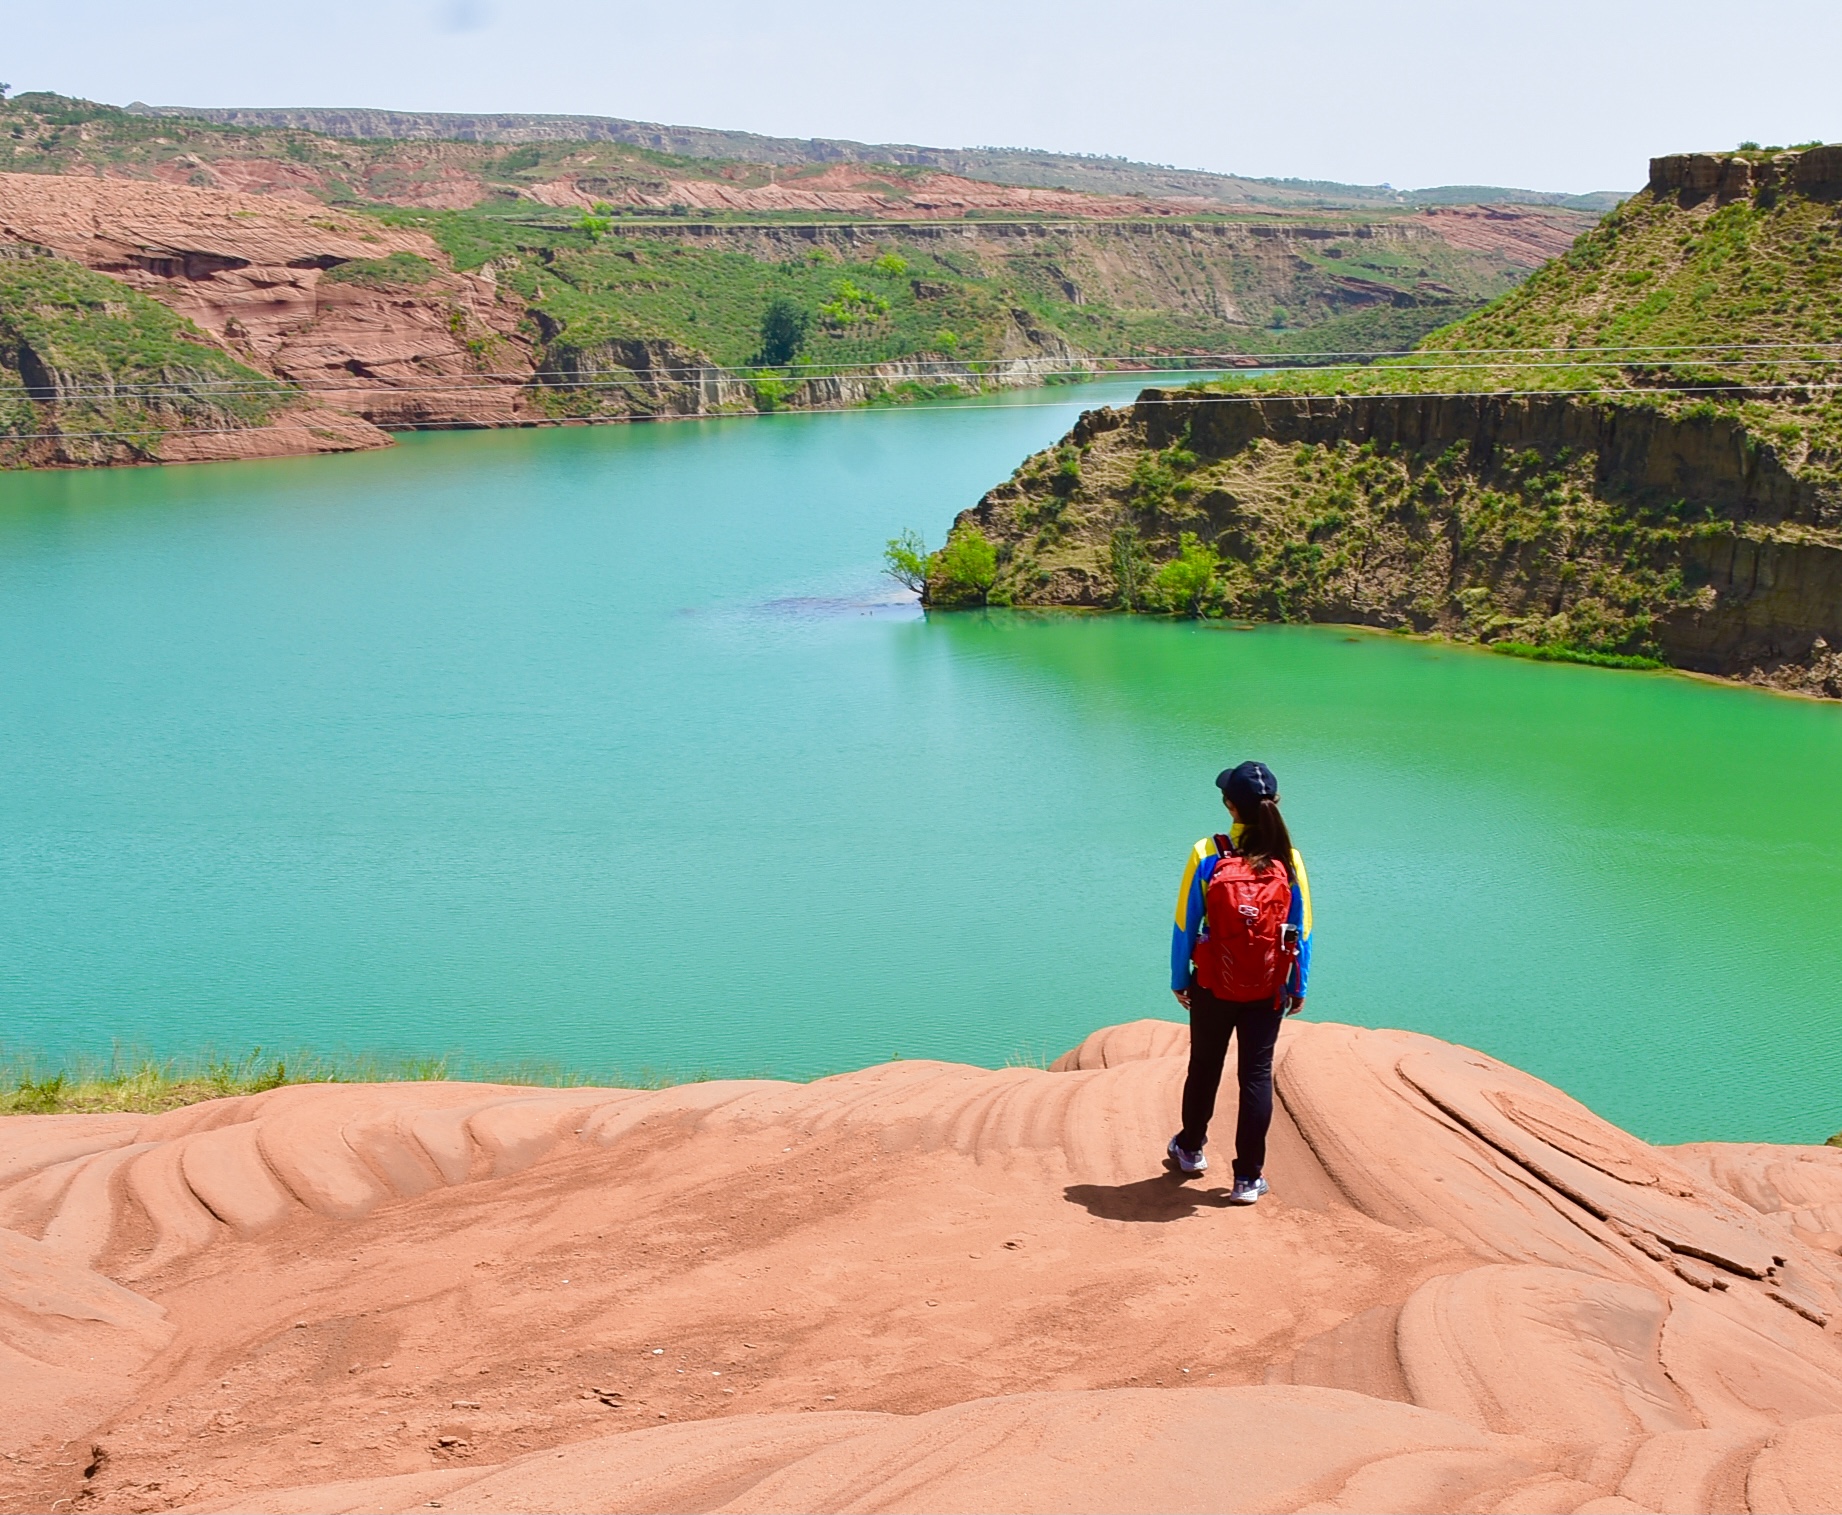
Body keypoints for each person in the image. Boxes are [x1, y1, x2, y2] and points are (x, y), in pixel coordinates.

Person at [1166, 760, 1313, 1204]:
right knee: (1256, 1076)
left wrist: (1180, 978)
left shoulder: (1207, 852)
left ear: (1230, 805)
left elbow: (1184, 924)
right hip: (1267, 986)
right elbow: (1301, 930)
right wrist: (1298, 985)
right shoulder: (1288, 858)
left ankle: (1191, 1148)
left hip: (1213, 983)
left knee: (1204, 1066)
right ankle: (1248, 1177)